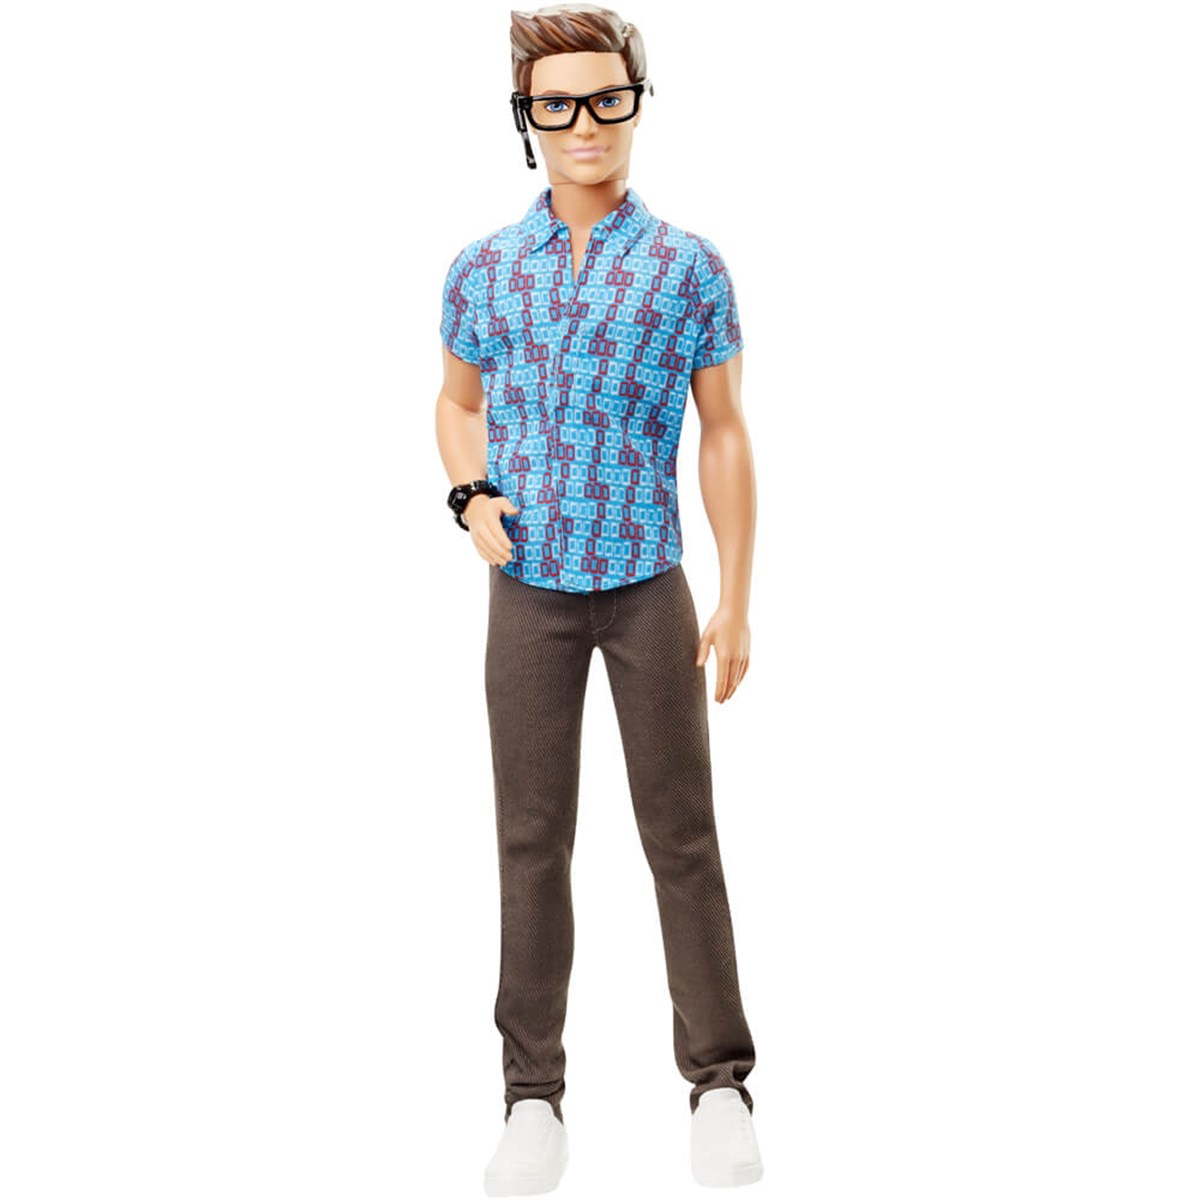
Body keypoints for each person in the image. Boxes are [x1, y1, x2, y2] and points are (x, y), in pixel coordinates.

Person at [436, 4, 763, 1191]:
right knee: (531, 837)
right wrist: (470, 495)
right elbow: (456, 400)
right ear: (526, 117)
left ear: (636, 105)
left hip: (648, 583)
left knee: (681, 829)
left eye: (607, 99)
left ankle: (719, 1079)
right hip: (526, 587)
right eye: (558, 104)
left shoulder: (688, 268)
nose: (586, 124)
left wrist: (735, 594)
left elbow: (723, 431)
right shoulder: (483, 269)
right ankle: (532, 1096)